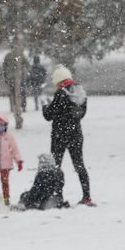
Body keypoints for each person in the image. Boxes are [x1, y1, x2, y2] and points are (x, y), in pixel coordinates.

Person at [43, 66, 93, 206]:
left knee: (56, 166)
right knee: (79, 165)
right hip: (76, 134)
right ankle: (87, 196)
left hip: (60, 135)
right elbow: (81, 114)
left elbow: (49, 116)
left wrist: (45, 107)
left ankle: (58, 196)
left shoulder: (60, 93)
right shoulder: (80, 93)